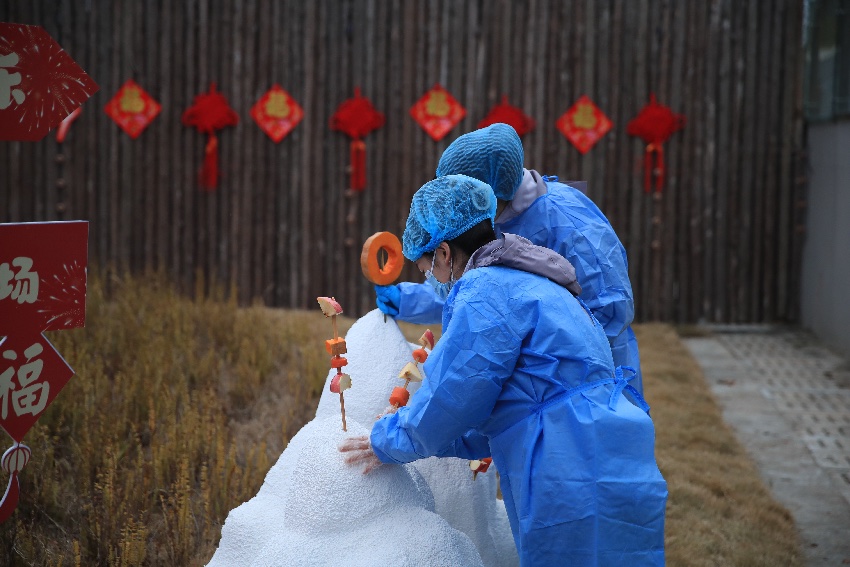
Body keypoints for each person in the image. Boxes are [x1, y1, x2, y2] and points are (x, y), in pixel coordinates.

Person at [342, 174, 667, 566]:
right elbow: (496, 414)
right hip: (615, 449)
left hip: (564, 465)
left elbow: (452, 396)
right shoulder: (534, 279)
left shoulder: (484, 294)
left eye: (429, 269)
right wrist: (432, 441)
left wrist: (389, 439)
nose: (432, 280)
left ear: (445, 253)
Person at [374, 123, 645, 395]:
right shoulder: (492, 218)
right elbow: (479, 287)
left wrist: (534, 365)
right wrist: (411, 300)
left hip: (594, 379)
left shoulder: (572, 226)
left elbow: (607, 312)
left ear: (487, 191)